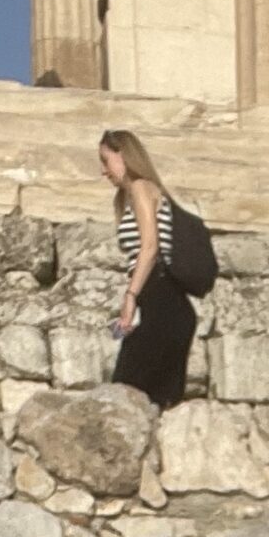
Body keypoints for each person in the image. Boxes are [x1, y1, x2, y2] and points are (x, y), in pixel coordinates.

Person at [102, 128, 196, 410]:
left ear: (123, 156)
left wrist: (130, 297)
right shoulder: (139, 193)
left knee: (123, 397)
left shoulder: (142, 188)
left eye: (106, 161)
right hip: (164, 308)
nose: (104, 171)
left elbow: (150, 246)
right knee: (150, 404)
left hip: (162, 304)